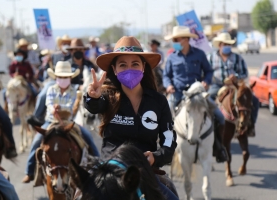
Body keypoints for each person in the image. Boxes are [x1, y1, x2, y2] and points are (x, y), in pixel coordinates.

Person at [84, 36, 179, 199]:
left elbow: (168, 140)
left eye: (135, 64)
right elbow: (94, 106)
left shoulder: (159, 101)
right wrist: (92, 97)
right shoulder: (106, 98)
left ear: (143, 67)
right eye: (123, 65)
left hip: (144, 173)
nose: (129, 69)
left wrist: (155, 157)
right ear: (114, 69)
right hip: (110, 171)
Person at [22, 61, 99, 183]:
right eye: (61, 77)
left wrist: (61, 108)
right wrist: (53, 108)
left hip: (68, 122)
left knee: (88, 136)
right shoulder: (51, 89)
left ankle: (98, 167)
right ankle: (29, 172)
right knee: (36, 141)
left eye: (66, 77)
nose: (63, 79)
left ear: (70, 78)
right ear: (56, 77)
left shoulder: (74, 91)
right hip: (51, 121)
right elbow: (49, 103)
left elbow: (71, 107)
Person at [163, 26, 227, 162]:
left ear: (186, 39)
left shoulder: (199, 54)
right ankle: (166, 149)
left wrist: (207, 81)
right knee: (163, 116)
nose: (174, 42)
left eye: (176, 39)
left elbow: (209, 71)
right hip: (178, 93)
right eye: (173, 39)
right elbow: (166, 75)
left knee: (219, 117)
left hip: (197, 94)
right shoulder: (171, 57)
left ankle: (219, 148)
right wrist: (168, 85)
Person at [208, 32, 259, 136]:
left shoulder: (237, 58)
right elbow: (206, 72)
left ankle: (251, 125)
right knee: (206, 101)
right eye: (224, 44)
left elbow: (244, 72)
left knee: (254, 100)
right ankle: (209, 127)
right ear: (219, 45)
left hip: (235, 86)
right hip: (217, 85)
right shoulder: (211, 58)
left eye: (229, 44)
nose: (227, 46)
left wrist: (236, 76)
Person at [27, 35, 72, 123]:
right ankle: (37, 117)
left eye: (68, 43)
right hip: (54, 80)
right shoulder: (54, 56)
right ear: (60, 45)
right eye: (64, 43)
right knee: (42, 95)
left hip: (69, 81)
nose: (66, 45)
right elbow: (47, 70)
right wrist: (47, 63)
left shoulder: (73, 56)